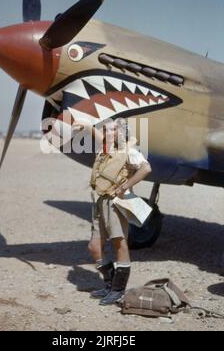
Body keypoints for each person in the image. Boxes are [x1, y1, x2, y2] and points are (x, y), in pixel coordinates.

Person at [73, 118, 151, 306]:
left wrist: (126, 186)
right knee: (94, 246)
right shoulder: (106, 149)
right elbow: (100, 136)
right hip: (100, 201)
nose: (108, 133)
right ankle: (110, 283)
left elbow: (146, 168)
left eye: (113, 130)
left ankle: (117, 290)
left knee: (119, 244)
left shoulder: (128, 151)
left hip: (115, 202)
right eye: (107, 130)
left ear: (121, 133)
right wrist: (88, 127)